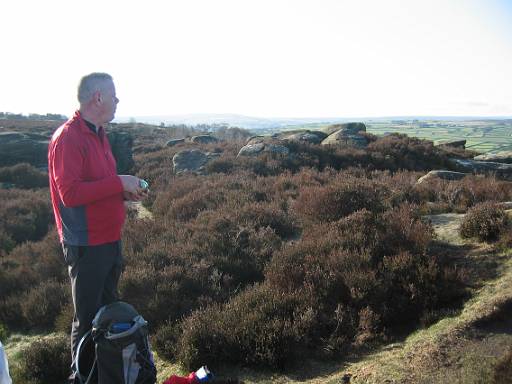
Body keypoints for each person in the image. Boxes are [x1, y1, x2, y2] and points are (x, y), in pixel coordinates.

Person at [48, 72, 147, 383]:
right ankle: (79, 377)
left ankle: (103, 375)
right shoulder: (69, 137)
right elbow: (71, 194)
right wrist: (118, 182)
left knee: (107, 313)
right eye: (114, 95)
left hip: (109, 239)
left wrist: (124, 192)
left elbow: (96, 185)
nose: (118, 101)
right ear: (98, 98)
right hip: (87, 245)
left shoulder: (99, 134)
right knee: (88, 317)